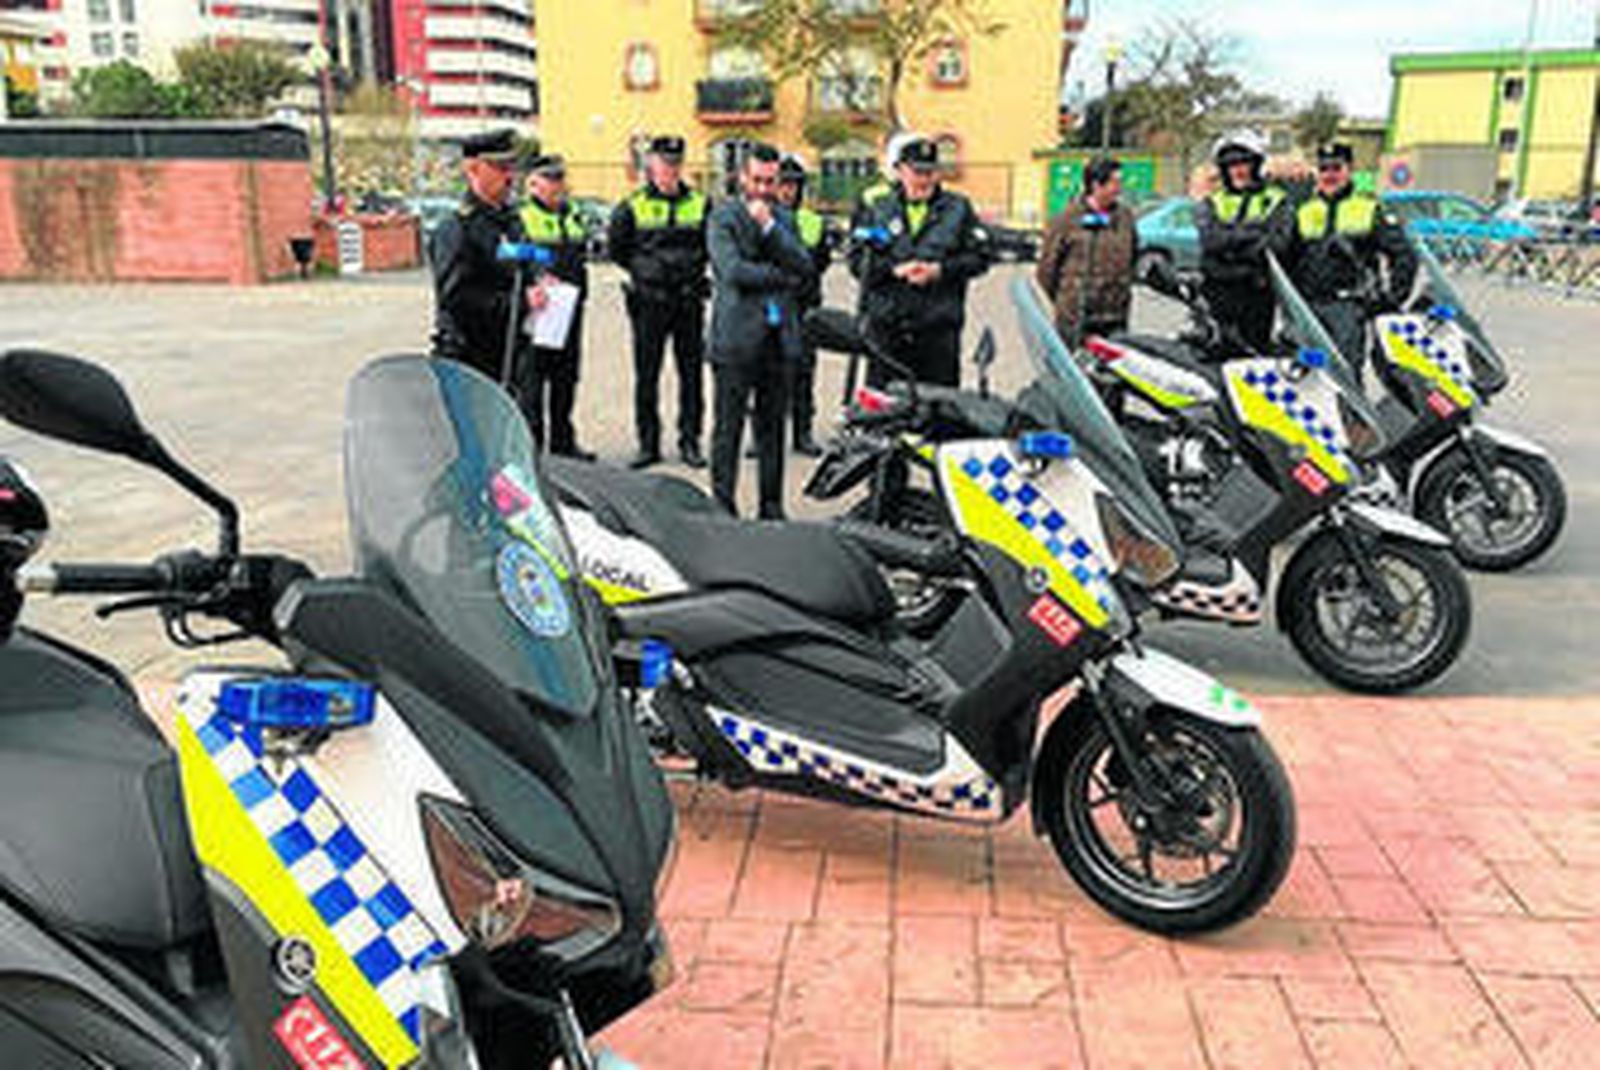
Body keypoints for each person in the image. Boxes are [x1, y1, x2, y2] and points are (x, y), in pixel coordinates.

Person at [706, 143, 814, 520]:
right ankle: (722, 505)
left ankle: (771, 506)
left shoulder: (784, 219)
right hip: (735, 339)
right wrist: (779, 276)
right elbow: (731, 271)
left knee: (772, 431)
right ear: (742, 178)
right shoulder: (723, 217)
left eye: (771, 181)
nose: (765, 188)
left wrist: (769, 227)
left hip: (779, 338)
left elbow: (803, 266)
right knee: (728, 430)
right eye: (758, 180)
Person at [849, 136, 991, 387]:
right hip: (887, 332)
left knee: (938, 415)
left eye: (929, 172)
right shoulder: (878, 208)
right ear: (900, 171)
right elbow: (856, 260)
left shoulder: (958, 209)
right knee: (885, 413)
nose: (923, 179)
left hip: (937, 334)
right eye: (916, 172)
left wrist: (940, 270)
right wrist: (894, 270)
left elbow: (980, 257)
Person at [608, 135, 711, 469]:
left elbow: (711, 246)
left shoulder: (701, 203)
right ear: (651, 166)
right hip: (650, 302)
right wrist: (647, 272)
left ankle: (690, 441)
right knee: (647, 375)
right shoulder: (631, 206)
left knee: (691, 375)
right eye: (664, 163)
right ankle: (648, 445)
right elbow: (617, 250)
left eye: (675, 163)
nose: (670, 169)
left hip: (689, 300)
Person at [1282, 142, 1417, 377]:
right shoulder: (1303, 210)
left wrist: (1391, 299)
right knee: (1303, 379)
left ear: (1349, 170)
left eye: (1336, 168)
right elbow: (1286, 257)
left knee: (1345, 377)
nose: (1329, 175)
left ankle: (1349, 415)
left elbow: (1404, 255)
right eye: (1324, 169)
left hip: (1346, 308)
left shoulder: (1369, 208)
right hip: (1307, 308)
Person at [428, 129, 531, 382]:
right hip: (469, 359)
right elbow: (456, 298)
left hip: (510, 353)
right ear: (472, 169)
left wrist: (539, 284)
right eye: (499, 167)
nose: (510, 176)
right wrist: (519, 302)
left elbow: (520, 268)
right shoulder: (457, 227)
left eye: (511, 167)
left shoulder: (512, 222)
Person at [516, 152, 594, 458]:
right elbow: (509, 258)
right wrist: (536, 276)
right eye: (551, 180)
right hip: (538, 312)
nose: (558, 185)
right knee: (532, 383)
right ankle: (532, 448)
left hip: (570, 311)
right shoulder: (520, 218)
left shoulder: (573, 215)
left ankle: (563, 444)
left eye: (560, 179)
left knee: (566, 379)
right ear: (533, 184)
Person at [1196, 129, 1288, 352]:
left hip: (1257, 298)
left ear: (1255, 165)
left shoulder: (1274, 199)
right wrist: (1253, 234)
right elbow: (1210, 241)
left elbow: (1277, 244)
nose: (1237, 170)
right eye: (1230, 165)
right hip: (1218, 298)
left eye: (1243, 163)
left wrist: (1230, 242)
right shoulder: (1213, 202)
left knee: (1254, 362)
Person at [1036, 155, 1138, 348]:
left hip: (1114, 317)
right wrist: (1067, 299)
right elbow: (1046, 270)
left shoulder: (1125, 218)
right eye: (1115, 183)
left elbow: (1133, 256)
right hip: (1076, 318)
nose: (1120, 188)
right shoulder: (1066, 220)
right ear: (1096, 185)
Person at [773, 152, 835, 455]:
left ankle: (803, 433)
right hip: (772, 307)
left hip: (804, 307)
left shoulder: (813, 222)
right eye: (782, 184)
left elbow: (820, 261)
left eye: (793, 185)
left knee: (803, 372)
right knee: (768, 373)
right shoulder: (762, 218)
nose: (788, 191)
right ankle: (764, 435)